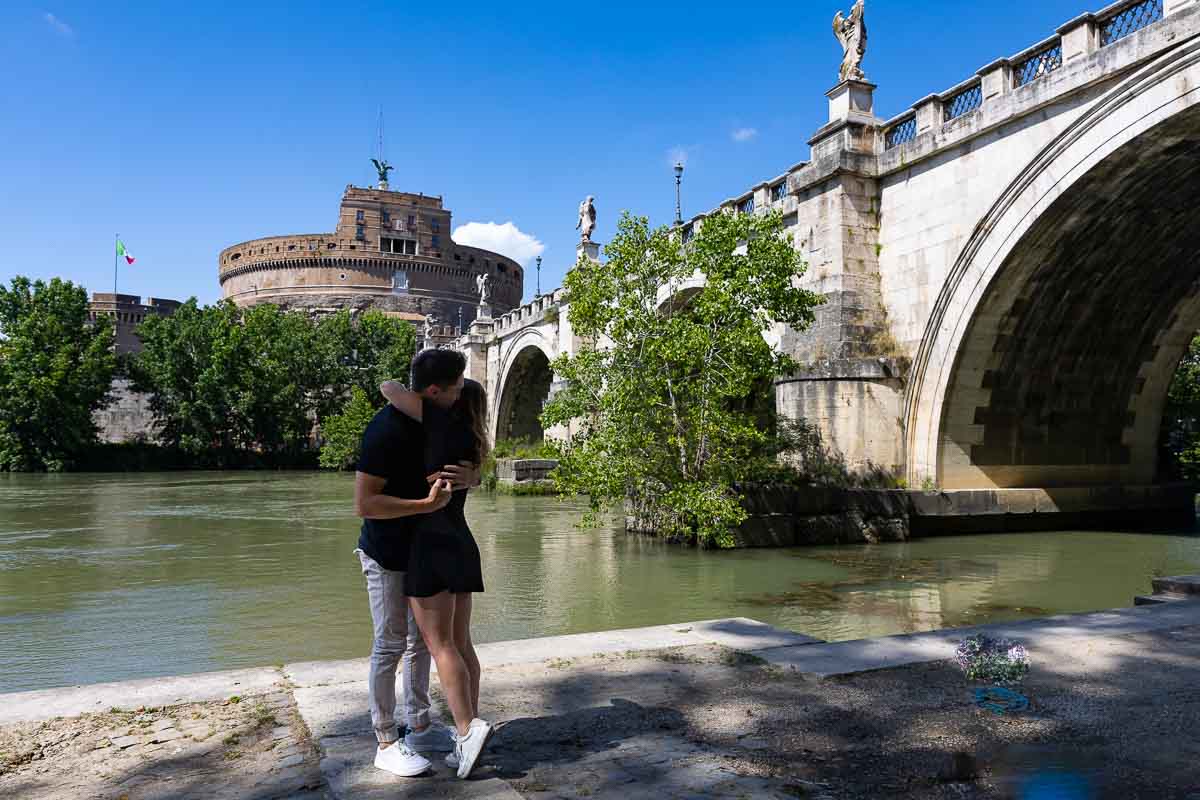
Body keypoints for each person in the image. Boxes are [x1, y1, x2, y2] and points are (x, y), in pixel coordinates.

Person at [352, 349, 477, 778]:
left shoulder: (443, 422)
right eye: (456, 386)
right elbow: (365, 505)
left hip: (425, 550)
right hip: (387, 550)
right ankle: (385, 739)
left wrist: (473, 478)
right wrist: (424, 505)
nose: (462, 392)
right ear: (433, 392)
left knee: (421, 643)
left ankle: (420, 723)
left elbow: (474, 461)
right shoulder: (385, 428)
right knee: (389, 643)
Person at [379, 373, 494, 779]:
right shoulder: (473, 439)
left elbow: (389, 388)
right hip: (462, 542)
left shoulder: (440, 426)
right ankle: (472, 724)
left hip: (430, 543)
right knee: (462, 644)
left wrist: (415, 387)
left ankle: (467, 730)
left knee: (439, 644)